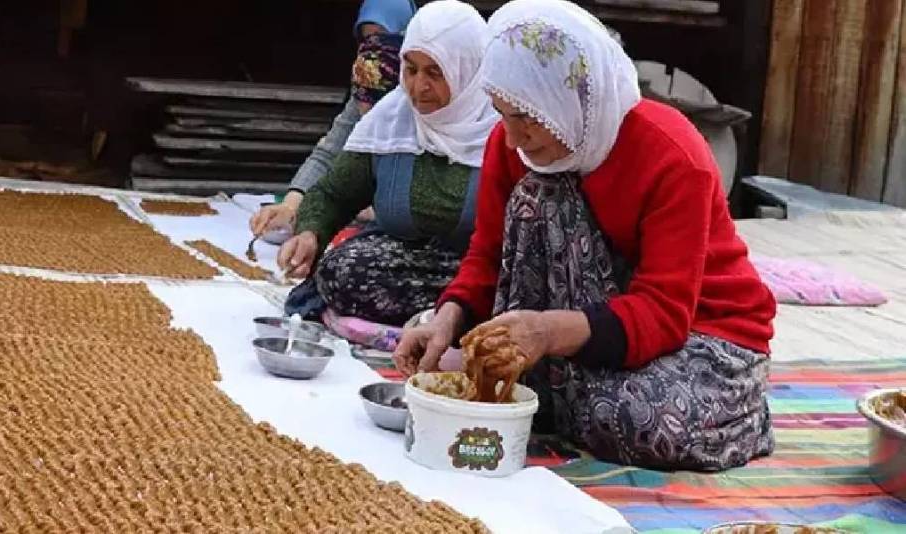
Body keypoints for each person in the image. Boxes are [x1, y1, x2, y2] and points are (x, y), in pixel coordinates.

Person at [393, 0, 777, 472]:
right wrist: (445, 320)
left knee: (633, 420)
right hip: (590, 338)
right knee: (539, 199)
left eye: (527, 118)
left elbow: (665, 311)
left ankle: (743, 413)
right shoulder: (512, 145)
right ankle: (557, 387)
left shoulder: (673, 155)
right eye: (503, 114)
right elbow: (488, 256)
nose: (512, 138)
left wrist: (544, 332)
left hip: (702, 334)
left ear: (569, 100)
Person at [278, 0, 499, 327]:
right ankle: (448, 320)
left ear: (468, 71)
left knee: (509, 294)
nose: (418, 87)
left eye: (435, 73)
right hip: (409, 269)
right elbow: (334, 194)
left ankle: (458, 316)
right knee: (341, 271)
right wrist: (311, 233)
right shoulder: (392, 120)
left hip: (482, 272)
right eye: (410, 70)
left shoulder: (503, 132)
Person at [249, 0, 417, 241]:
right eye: (366, 39)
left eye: (383, 37)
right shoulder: (367, 86)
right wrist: (292, 203)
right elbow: (329, 154)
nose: (374, 49)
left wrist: (375, 209)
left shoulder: (425, 99)